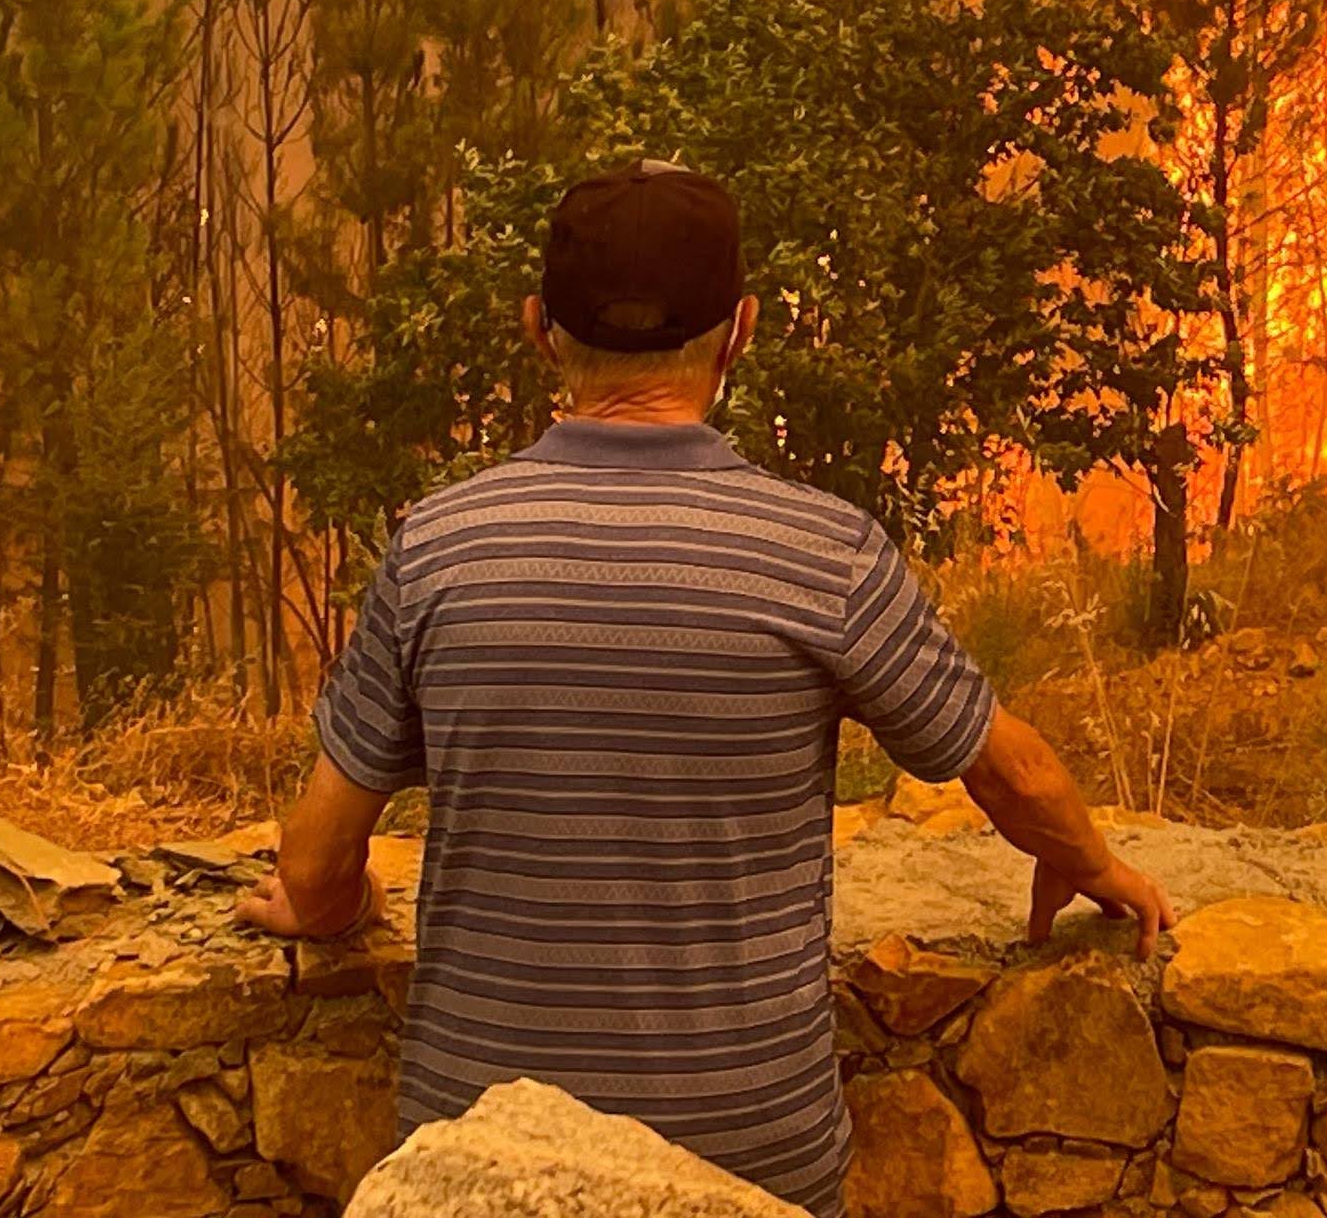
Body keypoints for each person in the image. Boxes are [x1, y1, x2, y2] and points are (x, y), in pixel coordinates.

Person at [239, 163, 1173, 1216]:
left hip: (478, 1164)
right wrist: (1092, 863)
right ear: (741, 331)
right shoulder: (825, 554)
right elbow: (1015, 775)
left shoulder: (439, 550)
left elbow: (314, 869)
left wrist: (342, 907)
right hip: (748, 1165)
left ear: (538, 328)